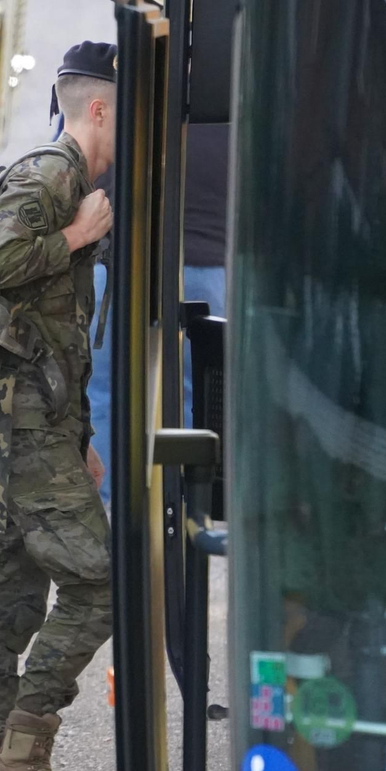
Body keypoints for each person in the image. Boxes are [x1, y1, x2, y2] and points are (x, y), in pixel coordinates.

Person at [0, 42, 117, 771]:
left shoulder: (67, 176)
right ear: (101, 108)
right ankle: (19, 759)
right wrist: (77, 237)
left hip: (23, 417)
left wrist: (74, 429)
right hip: (13, 421)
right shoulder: (53, 174)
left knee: (10, 596)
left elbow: (49, 327)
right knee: (100, 582)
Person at [86, 122, 230, 501]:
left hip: (118, 266)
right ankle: (182, 507)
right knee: (192, 396)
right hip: (206, 267)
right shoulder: (229, 110)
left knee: (103, 390)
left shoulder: (129, 102)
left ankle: (108, 511)